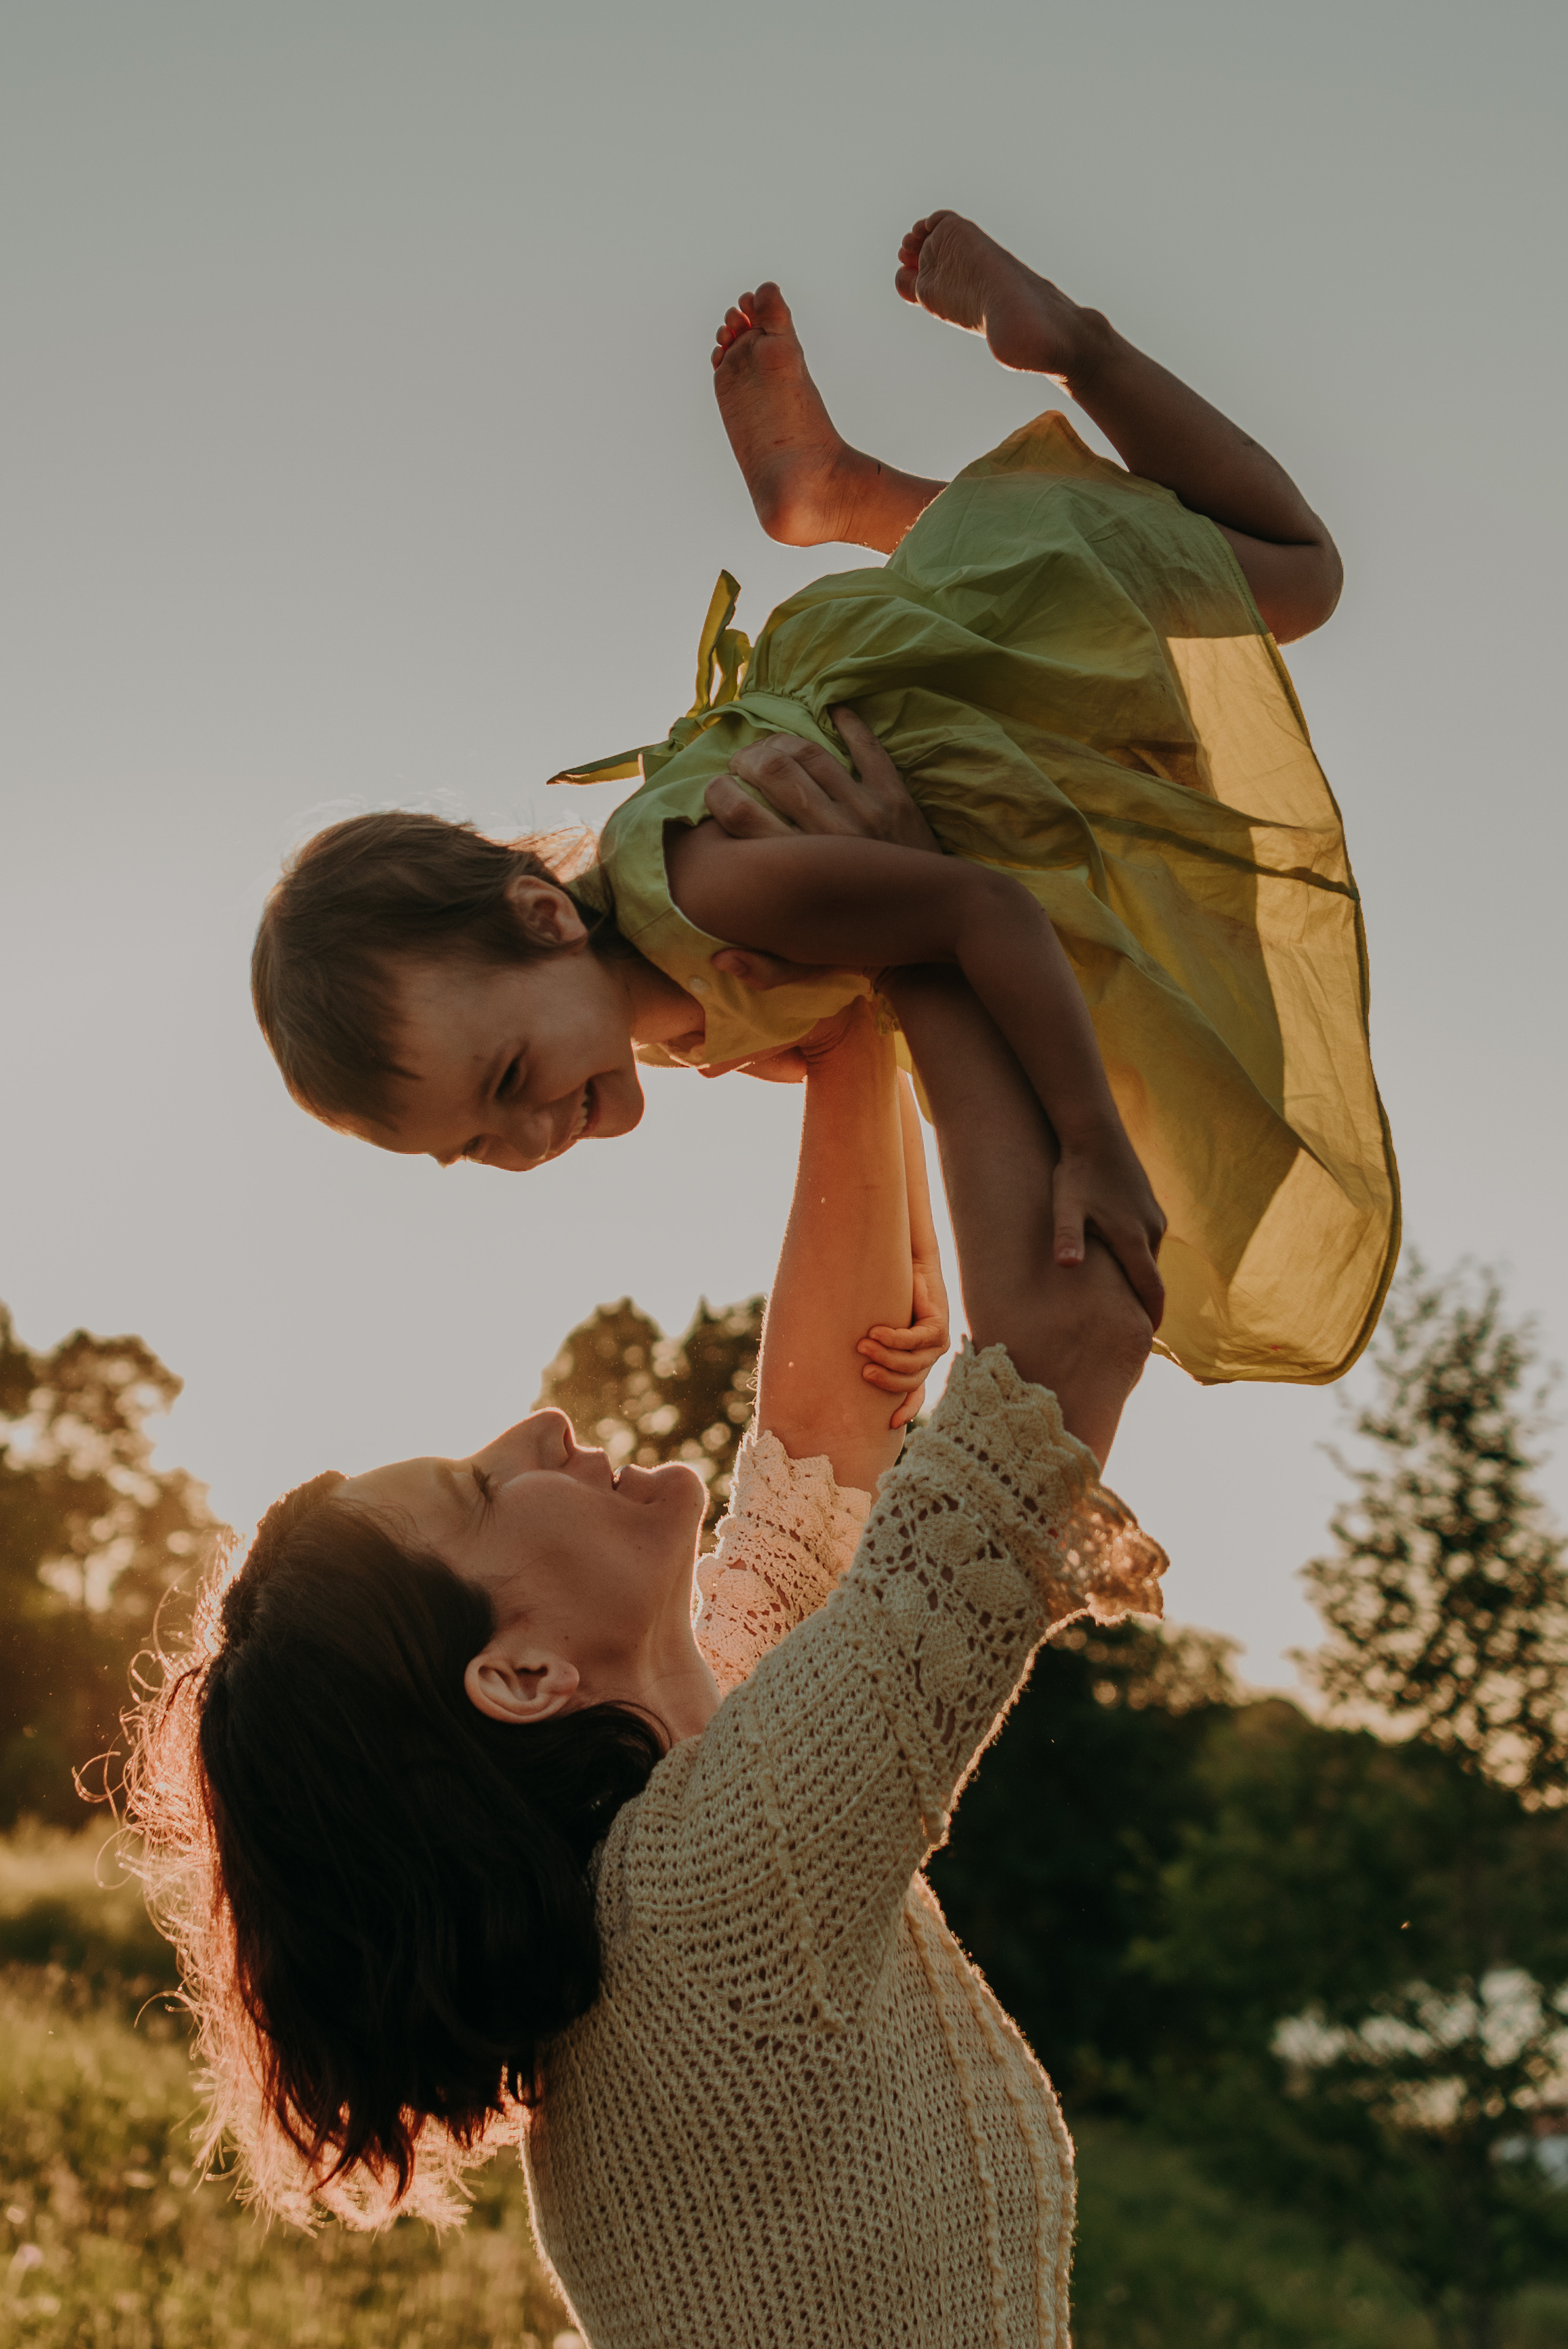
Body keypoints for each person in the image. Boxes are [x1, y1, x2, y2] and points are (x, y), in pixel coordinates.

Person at [127, 968, 1162, 2348]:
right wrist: (927, 939)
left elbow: (825, 1432)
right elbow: (1061, 1354)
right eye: (482, 1489)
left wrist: (847, 1030)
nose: (541, 1428)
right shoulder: (705, 1903)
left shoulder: (681, 1822)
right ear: (519, 1678)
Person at [251, 208, 1398, 1384]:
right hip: (988, 760)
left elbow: (983, 912)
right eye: (472, 1145)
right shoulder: (663, 1019)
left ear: (545, 916)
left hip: (989, 689)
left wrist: (1091, 1142)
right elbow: (873, 1048)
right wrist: (919, 1280)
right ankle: (835, 490)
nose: (529, 1136)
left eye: (505, 1084)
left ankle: (1062, 352)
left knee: (1295, 578)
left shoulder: (706, 892)